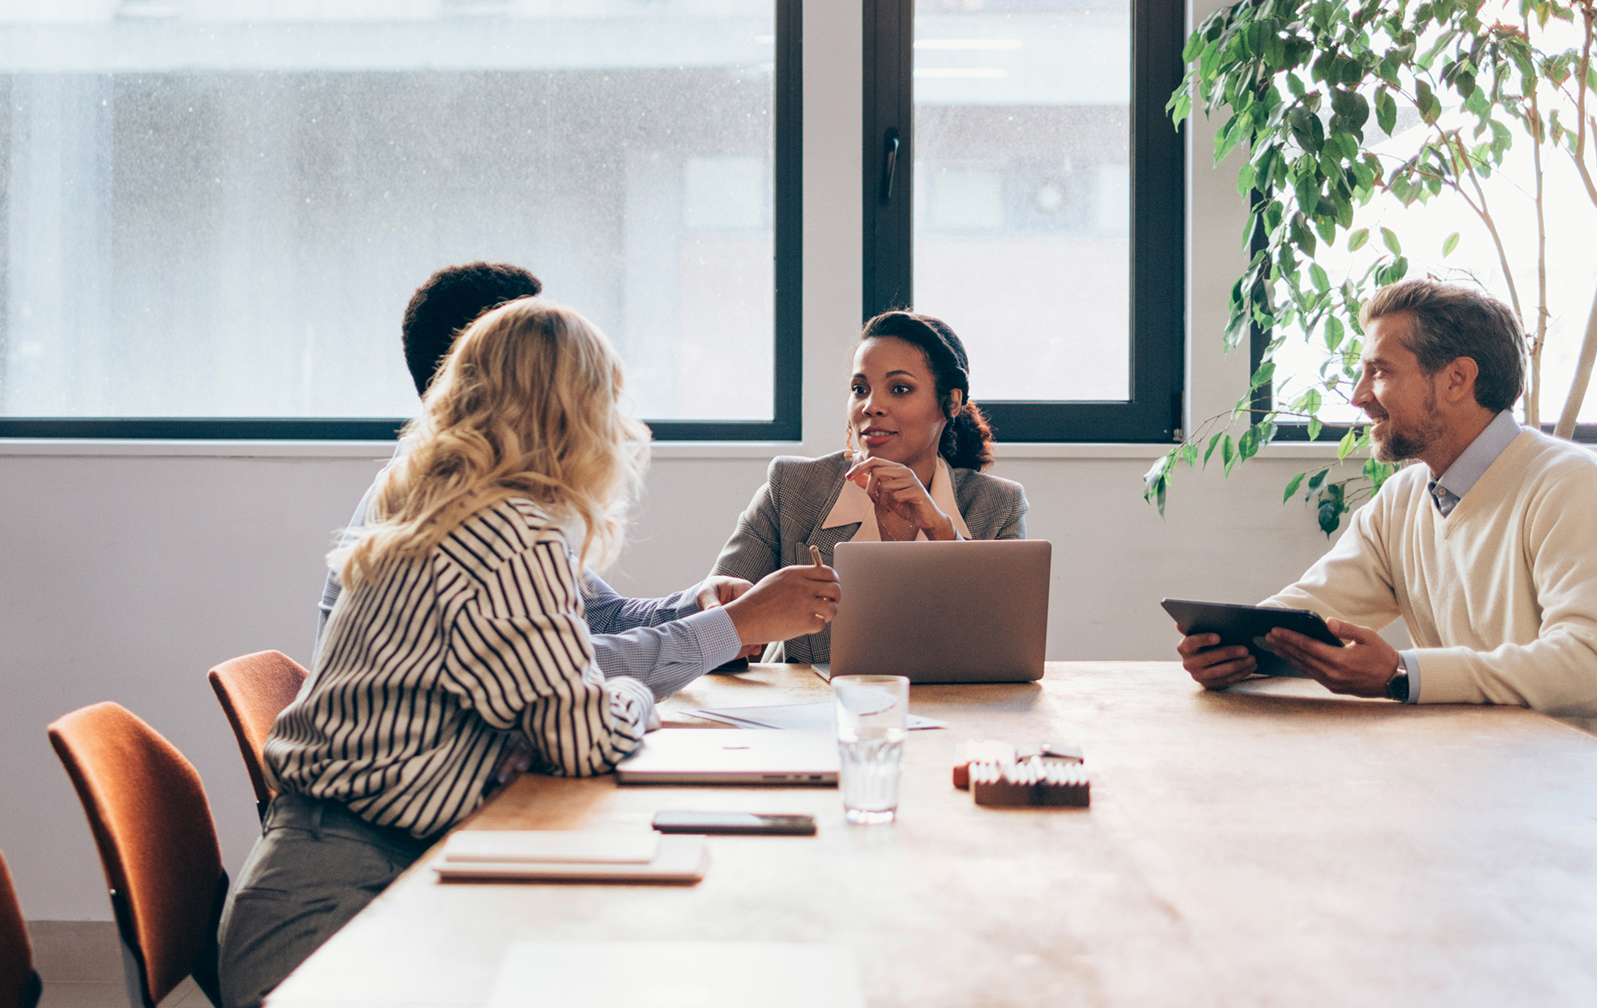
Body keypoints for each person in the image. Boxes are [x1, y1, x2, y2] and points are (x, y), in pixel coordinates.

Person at [219, 299, 663, 1006]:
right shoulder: (512, 532)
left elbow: (542, 715)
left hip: (317, 885)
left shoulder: (436, 504)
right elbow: (580, 736)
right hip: (333, 928)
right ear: (576, 415)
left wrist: (529, 729)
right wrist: (634, 696)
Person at [1176, 279, 1597, 753]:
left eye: (1380, 371)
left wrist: (1401, 674)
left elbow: (1593, 669)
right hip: (1480, 776)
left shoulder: (1574, 486)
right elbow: (1309, 611)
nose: (1359, 395)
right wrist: (1238, 649)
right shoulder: (1403, 499)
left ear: (1457, 379)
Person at [319, 262, 837, 696]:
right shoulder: (443, 504)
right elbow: (566, 671)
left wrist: (695, 603)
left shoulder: (491, 490)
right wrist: (733, 627)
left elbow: (593, 617)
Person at [712, 310, 1031, 666]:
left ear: (950, 402)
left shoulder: (997, 505)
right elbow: (710, 625)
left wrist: (941, 532)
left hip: (944, 713)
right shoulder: (792, 488)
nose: (871, 406)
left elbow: (1001, 651)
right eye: (859, 389)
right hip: (807, 710)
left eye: (900, 389)